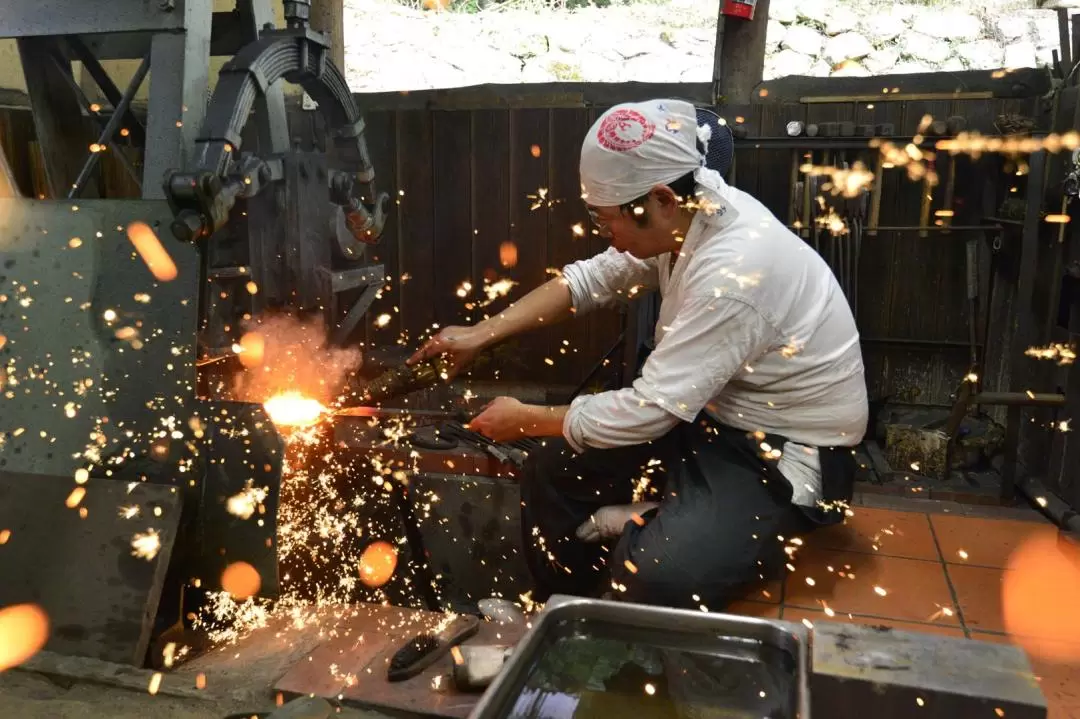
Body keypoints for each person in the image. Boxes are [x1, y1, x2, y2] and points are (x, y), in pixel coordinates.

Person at [408, 99, 868, 611]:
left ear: (662, 198)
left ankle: (644, 524)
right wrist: (479, 334)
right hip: (707, 417)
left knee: (657, 578)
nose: (605, 234)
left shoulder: (735, 271)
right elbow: (590, 280)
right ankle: (563, 610)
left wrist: (527, 419)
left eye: (607, 221)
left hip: (782, 451)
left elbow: (651, 409)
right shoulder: (691, 213)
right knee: (551, 472)